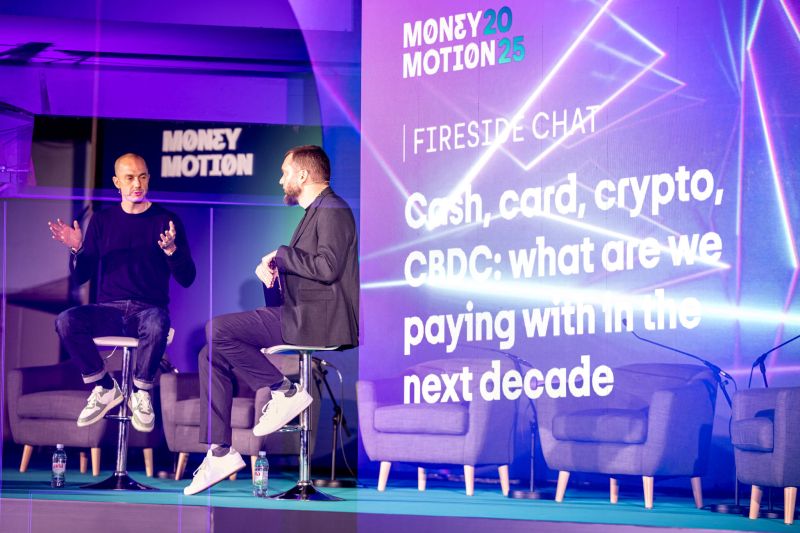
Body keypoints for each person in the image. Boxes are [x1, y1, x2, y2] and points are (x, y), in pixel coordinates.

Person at [184, 144, 359, 496]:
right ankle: (219, 451)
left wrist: (282, 254)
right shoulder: (312, 214)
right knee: (210, 352)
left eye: (285, 172)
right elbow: (304, 280)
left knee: (217, 329)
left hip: (319, 322)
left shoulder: (333, 209)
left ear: (303, 175)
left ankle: (285, 391)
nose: (281, 180)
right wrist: (275, 277)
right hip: (300, 313)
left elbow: (327, 268)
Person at [49, 153, 196, 434]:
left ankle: (142, 392)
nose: (137, 184)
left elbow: (187, 278)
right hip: (109, 311)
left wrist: (171, 251)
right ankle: (105, 387)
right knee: (66, 321)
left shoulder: (166, 220)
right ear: (117, 182)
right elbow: (81, 277)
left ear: (148, 178)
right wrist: (78, 249)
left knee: (157, 321)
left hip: (148, 311)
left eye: (142, 177)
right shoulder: (103, 221)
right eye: (129, 178)